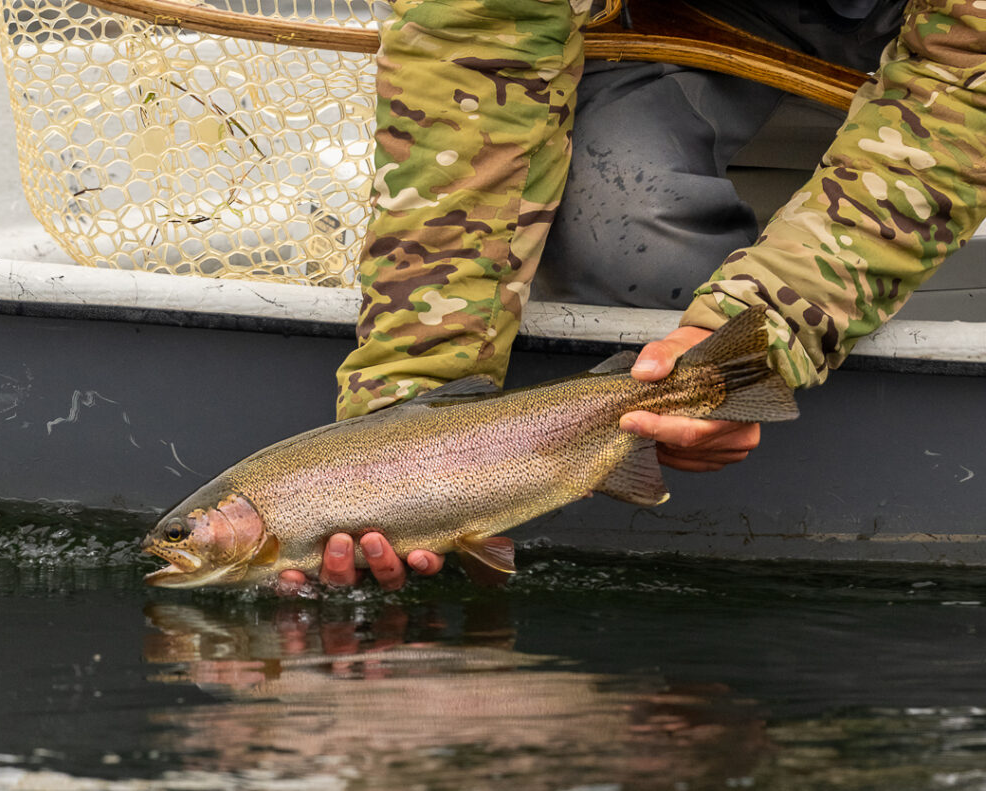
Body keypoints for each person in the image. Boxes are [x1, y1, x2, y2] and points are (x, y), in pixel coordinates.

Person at [277, 0, 986, 594]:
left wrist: (776, 323)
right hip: (694, 18)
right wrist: (408, 419)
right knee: (624, 238)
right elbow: (480, 38)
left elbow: (963, 89)